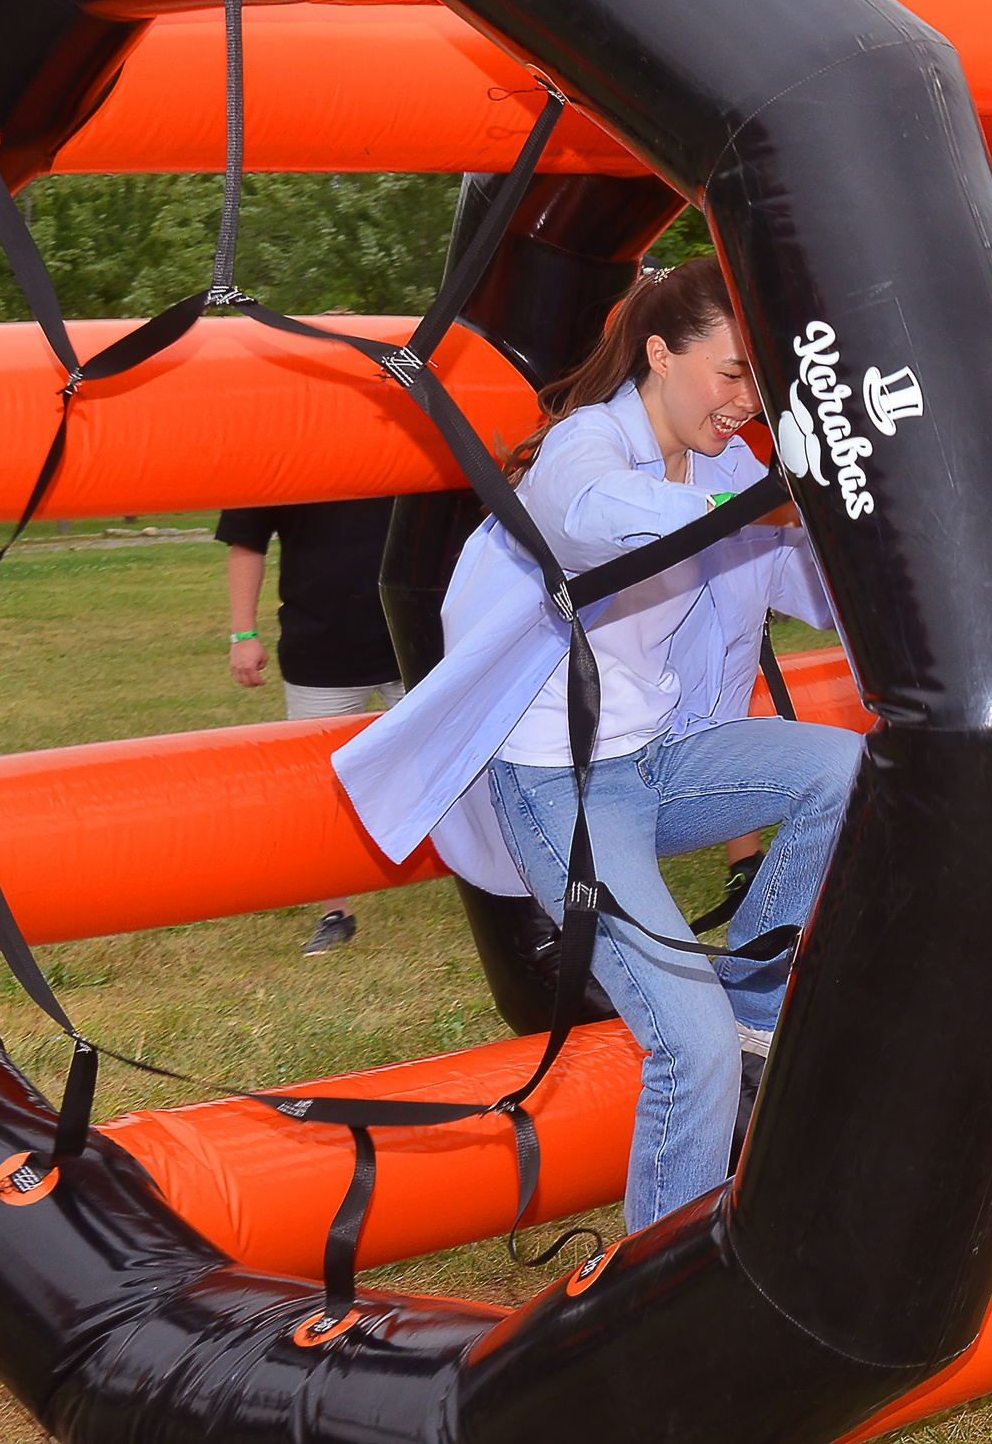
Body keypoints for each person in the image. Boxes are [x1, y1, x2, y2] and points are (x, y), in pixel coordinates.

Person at [333, 260, 862, 1232]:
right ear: (659, 353)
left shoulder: (723, 467)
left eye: (759, 383)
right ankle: (663, 1269)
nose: (747, 402)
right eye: (732, 373)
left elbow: (817, 587)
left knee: (843, 770)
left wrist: (867, 533)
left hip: (659, 758)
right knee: (689, 1045)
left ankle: (754, 1001)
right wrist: (761, 506)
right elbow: (587, 525)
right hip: (559, 783)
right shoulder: (586, 445)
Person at [216, 497, 403, 956]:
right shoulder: (272, 460)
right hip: (321, 648)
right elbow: (246, 541)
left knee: (463, 769)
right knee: (320, 788)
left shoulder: (418, 449)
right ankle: (335, 911)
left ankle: (501, 896)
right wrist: (243, 634)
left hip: (417, 637)